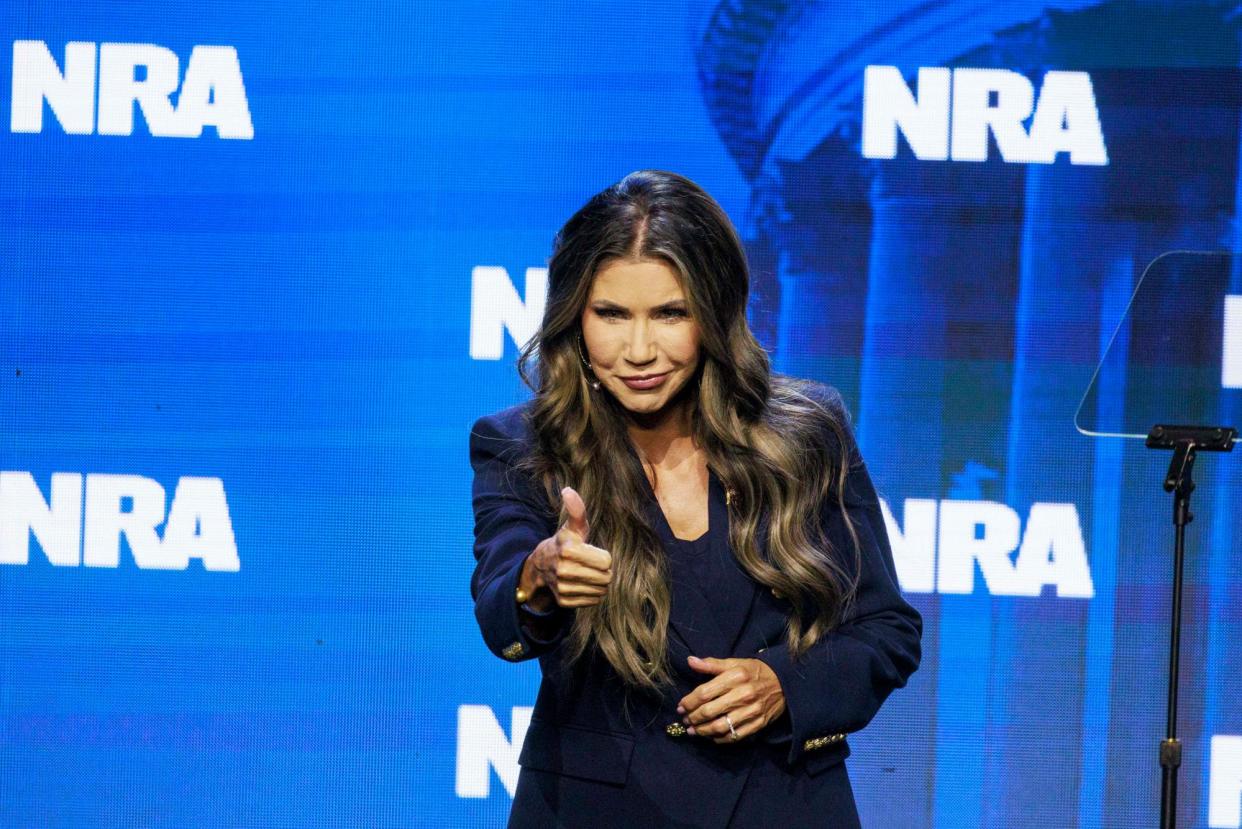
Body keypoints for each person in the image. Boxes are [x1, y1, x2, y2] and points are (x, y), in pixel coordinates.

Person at [469, 170, 921, 828]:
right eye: (613, 315)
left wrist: (783, 685)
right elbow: (500, 614)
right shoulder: (521, 443)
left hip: (782, 804)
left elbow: (886, 631)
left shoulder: (807, 431)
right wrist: (539, 580)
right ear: (574, 315)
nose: (640, 349)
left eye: (670, 314)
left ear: (713, 313)